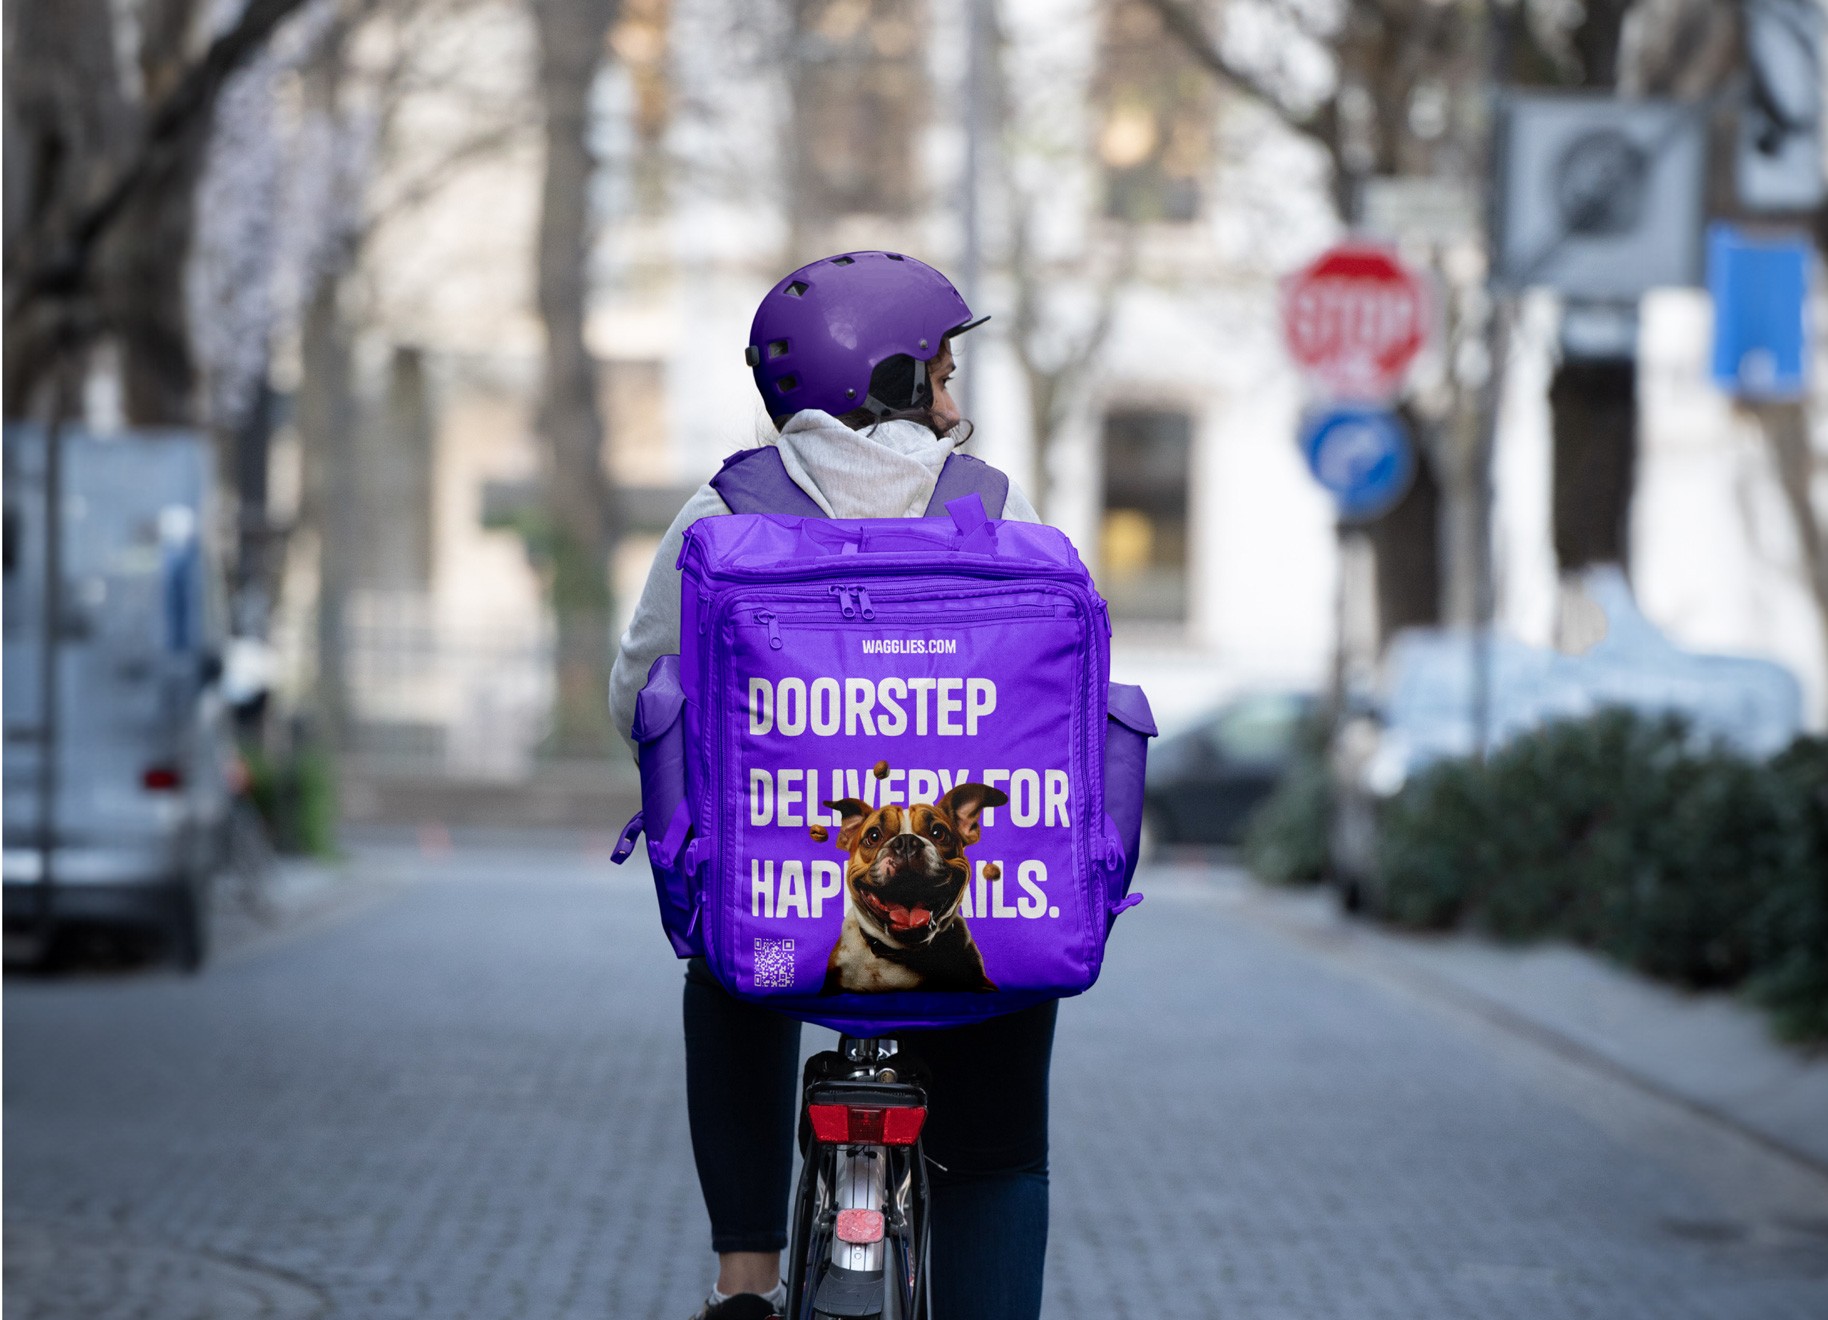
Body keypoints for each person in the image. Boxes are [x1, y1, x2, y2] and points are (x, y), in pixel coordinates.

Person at [609, 252, 1057, 1320]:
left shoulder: (722, 510)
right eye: (942, 377)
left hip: (789, 920)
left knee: (733, 961)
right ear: (892, 384)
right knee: (996, 1114)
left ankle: (745, 1283)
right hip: (972, 920)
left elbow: (637, 691)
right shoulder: (996, 504)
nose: (955, 404)